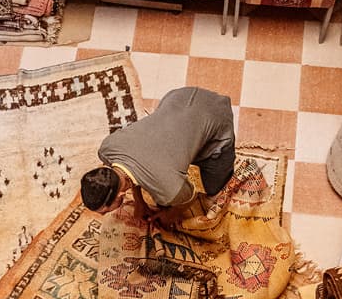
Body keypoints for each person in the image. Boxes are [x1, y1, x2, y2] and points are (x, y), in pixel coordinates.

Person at [80, 86, 235, 228]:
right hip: (179, 97)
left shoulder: (169, 191)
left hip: (216, 114)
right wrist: (139, 203)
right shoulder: (107, 148)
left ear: (120, 195)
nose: (102, 215)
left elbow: (189, 196)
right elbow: (127, 168)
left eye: (105, 211)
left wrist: (171, 214)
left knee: (213, 189)